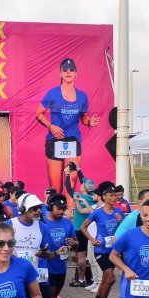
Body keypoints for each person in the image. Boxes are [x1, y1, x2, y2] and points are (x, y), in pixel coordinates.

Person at [35, 57, 101, 199]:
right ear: (60, 73)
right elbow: (38, 113)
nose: (68, 72)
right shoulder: (52, 94)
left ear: (76, 74)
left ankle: (71, 215)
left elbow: (83, 118)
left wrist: (90, 122)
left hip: (73, 141)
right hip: (54, 141)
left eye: (72, 70)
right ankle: (55, 214)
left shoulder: (83, 96)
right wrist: (51, 126)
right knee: (56, 187)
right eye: (65, 69)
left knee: (70, 182)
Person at [82, 182, 125, 298]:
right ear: (104, 196)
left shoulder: (118, 212)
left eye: (115, 195)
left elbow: (122, 230)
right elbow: (83, 227)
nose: (114, 198)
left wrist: (121, 221)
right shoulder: (97, 213)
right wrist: (92, 240)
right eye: (111, 195)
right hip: (100, 250)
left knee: (107, 281)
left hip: (113, 252)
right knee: (111, 278)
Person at [37, 194, 75, 298]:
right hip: (45, 267)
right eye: (58, 208)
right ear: (50, 207)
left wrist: (73, 242)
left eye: (64, 208)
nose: (61, 211)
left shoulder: (67, 223)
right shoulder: (42, 223)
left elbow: (74, 239)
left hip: (61, 267)